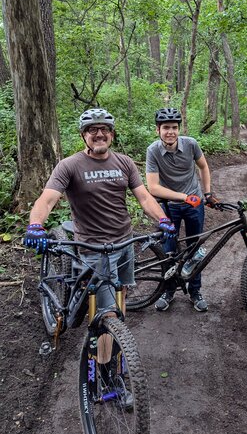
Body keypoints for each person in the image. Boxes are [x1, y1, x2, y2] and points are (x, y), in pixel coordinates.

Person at [23, 107, 176, 314]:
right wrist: (35, 225)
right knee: (106, 311)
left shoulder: (125, 162)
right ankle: (103, 339)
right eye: (92, 130)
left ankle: (117, 337)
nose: (99, 134)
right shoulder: (69, 165)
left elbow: (144, 197)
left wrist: (163, 219)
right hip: (94, 247)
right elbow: (47, 200)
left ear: (111, 134)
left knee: (121, 291)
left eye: (104, 129)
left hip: (124, 242)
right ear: (83, 135)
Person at [146, 107, 219, 313]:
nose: (171, 131)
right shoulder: (153, 151)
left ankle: (195, 291)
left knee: (194, 249)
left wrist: (207, 193)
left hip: (194, 204)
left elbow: (203, 167)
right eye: (166, 127)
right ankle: (168, 291)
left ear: (179, 129)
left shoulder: (191, 144)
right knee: (169, 251)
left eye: (174, 127)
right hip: (170, 206)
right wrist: (184, 196)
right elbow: (153, 187)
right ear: (158, 130)